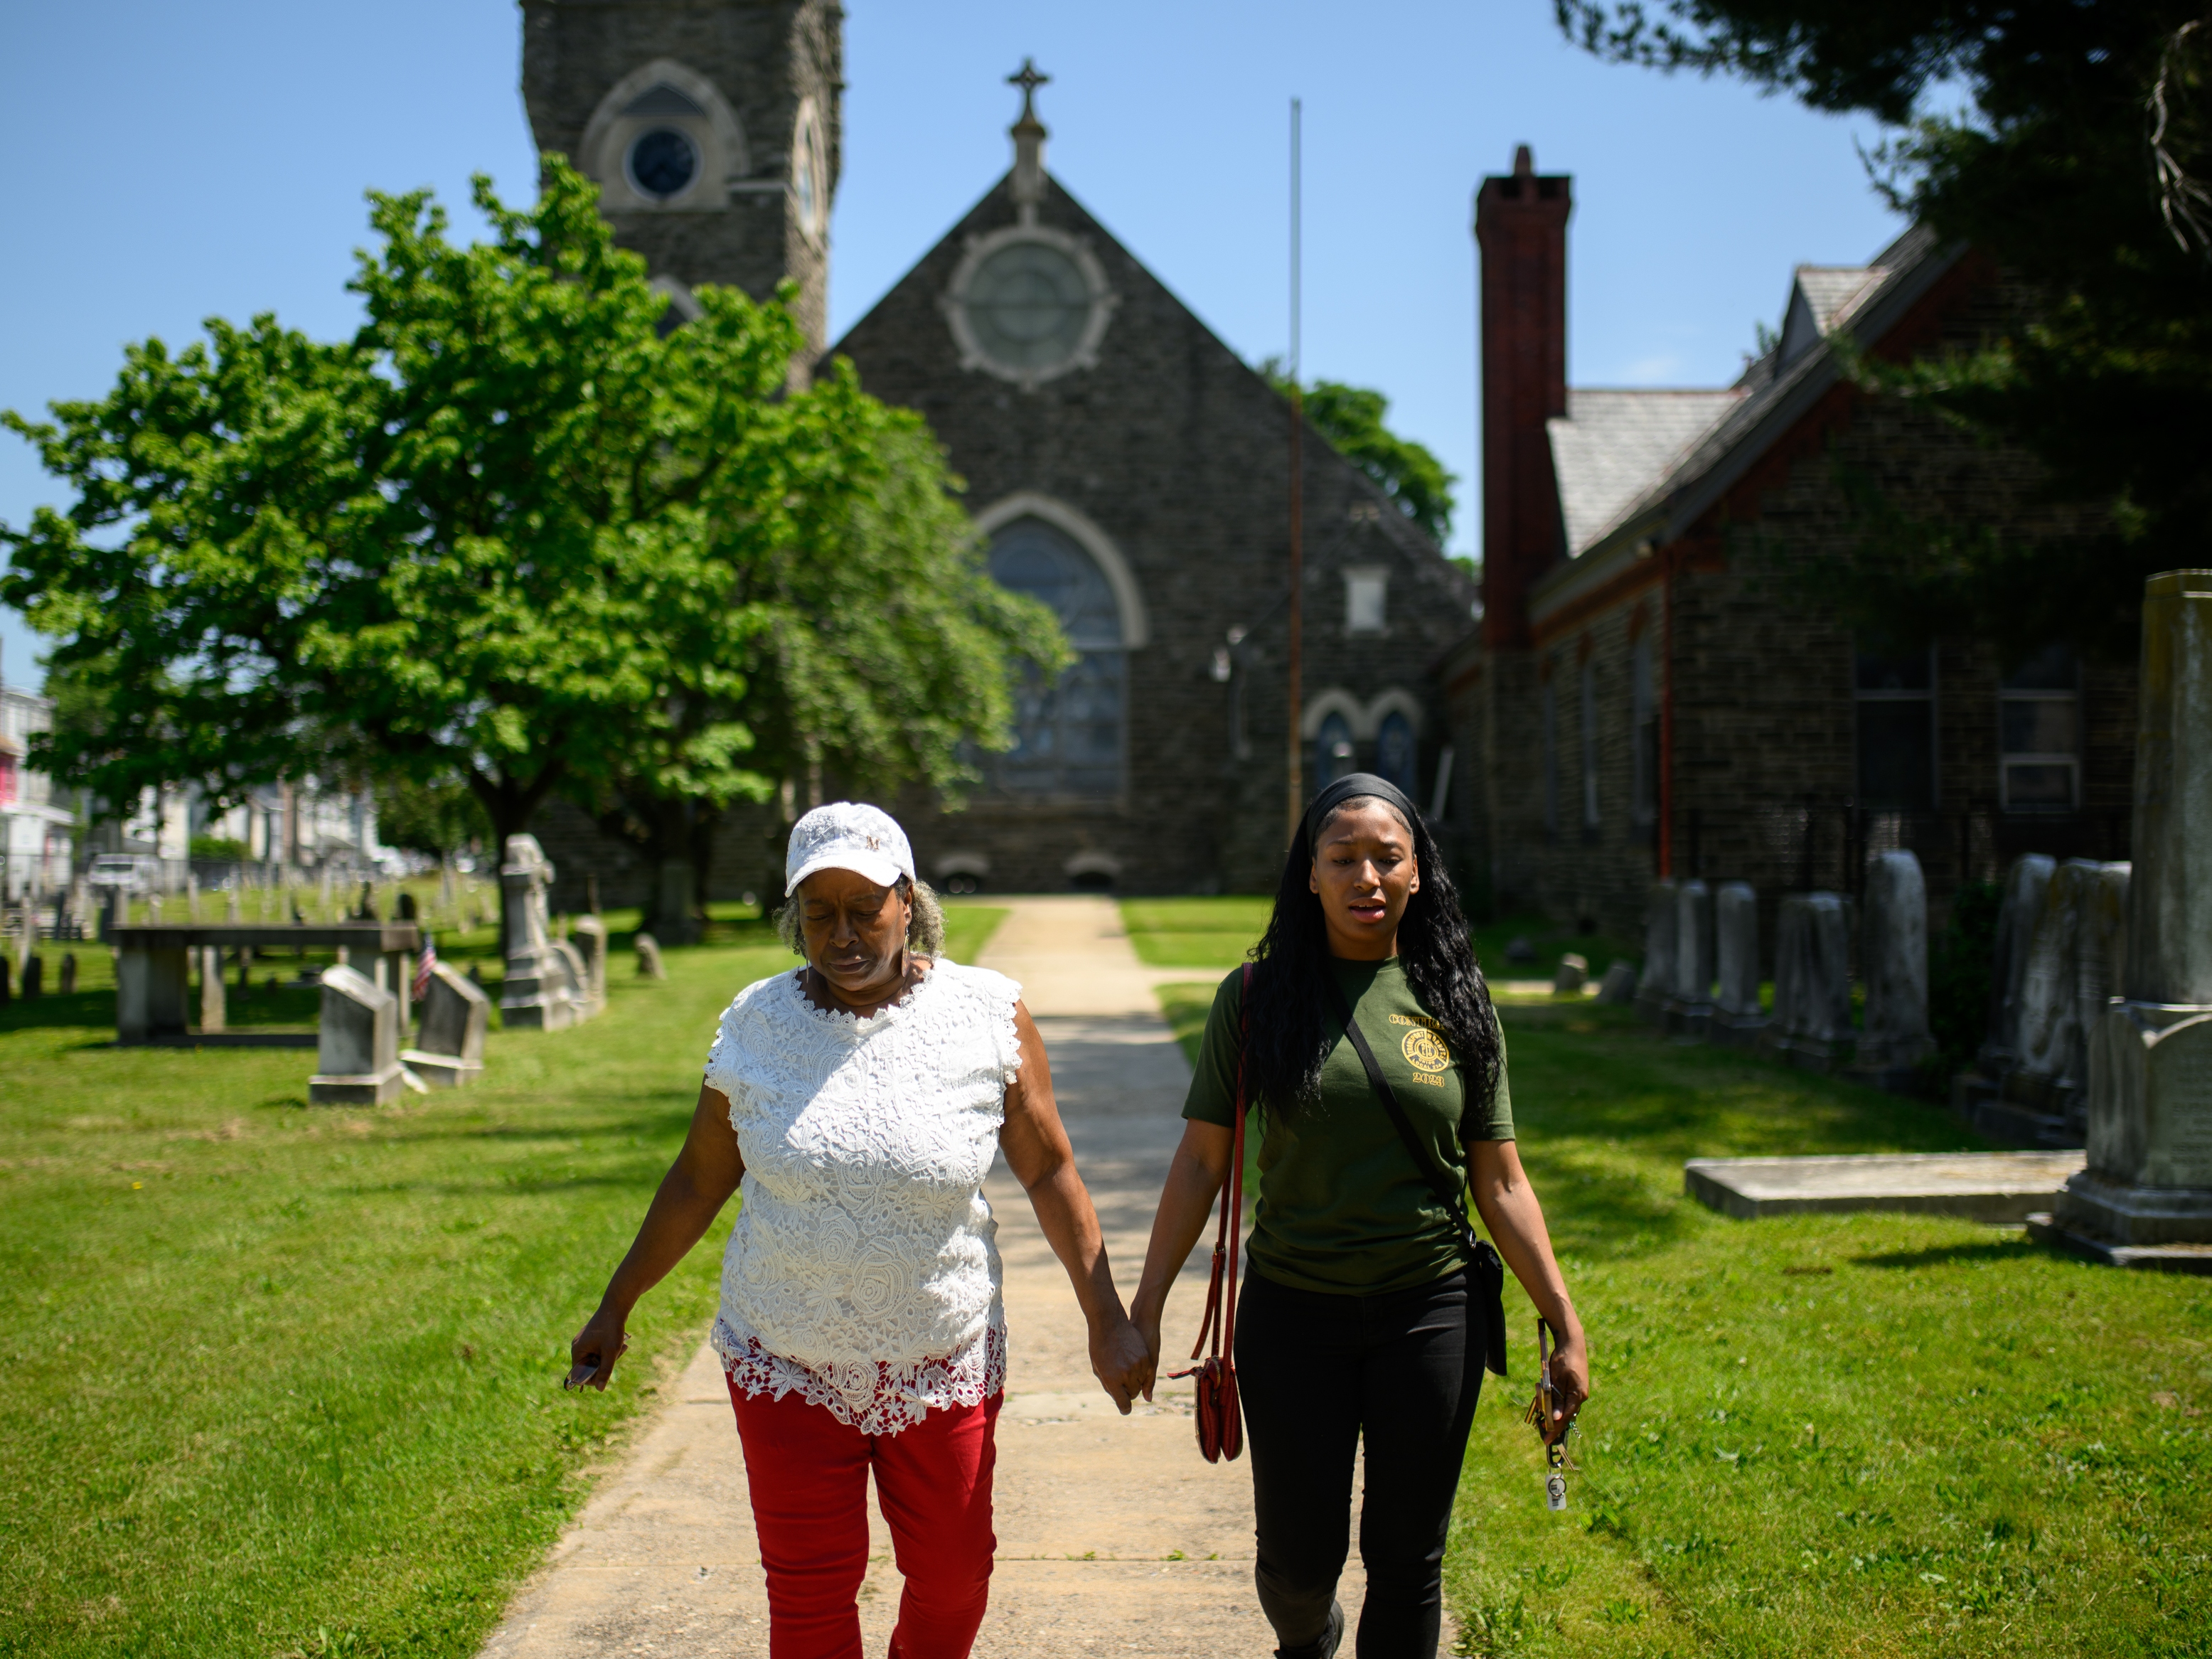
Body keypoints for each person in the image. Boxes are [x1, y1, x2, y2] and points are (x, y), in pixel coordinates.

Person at [567, 801, 1148, 1659]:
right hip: (787, 1355)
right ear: (794, 917)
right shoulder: (755, 1023)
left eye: (863, 908)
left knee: (954, 1581)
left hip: (939, 1355)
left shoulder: (987, 1014)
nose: (842, 934)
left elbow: (1050, 1168)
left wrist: (1107, 1317)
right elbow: (699, 1177)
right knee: (808, 1598)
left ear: (907, 900)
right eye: (818, 913)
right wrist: (617, 1305)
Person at [1126, 774, 1590, 1659]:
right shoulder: (1255, 999)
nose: (1366, 877)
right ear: (1309, 874)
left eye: (1388, 857)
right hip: (1294, 1311)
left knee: (1408, 1560)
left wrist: (1563, 1322)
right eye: (1342, 858)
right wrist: (1145, 1311)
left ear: (1420, 873)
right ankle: (1309, 1636)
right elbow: (1199, 1161)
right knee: (1297, 1571)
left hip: (1430, 1309)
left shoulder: (1458, 1003)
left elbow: (1502, 1181)